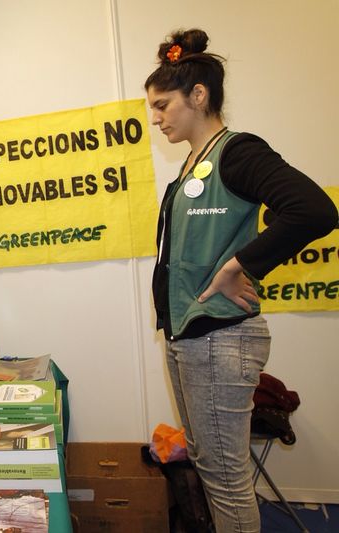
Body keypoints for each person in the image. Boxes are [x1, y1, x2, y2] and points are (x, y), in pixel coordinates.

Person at [145, 29, 337, 533]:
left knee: (226, 480)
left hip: (218, 338)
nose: (156, 117)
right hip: (188, 336)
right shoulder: (191, 164)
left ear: (199, 95)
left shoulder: (236, 151)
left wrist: (243, 265)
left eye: (163, 105)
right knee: (213, 471)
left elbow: (314, 210)